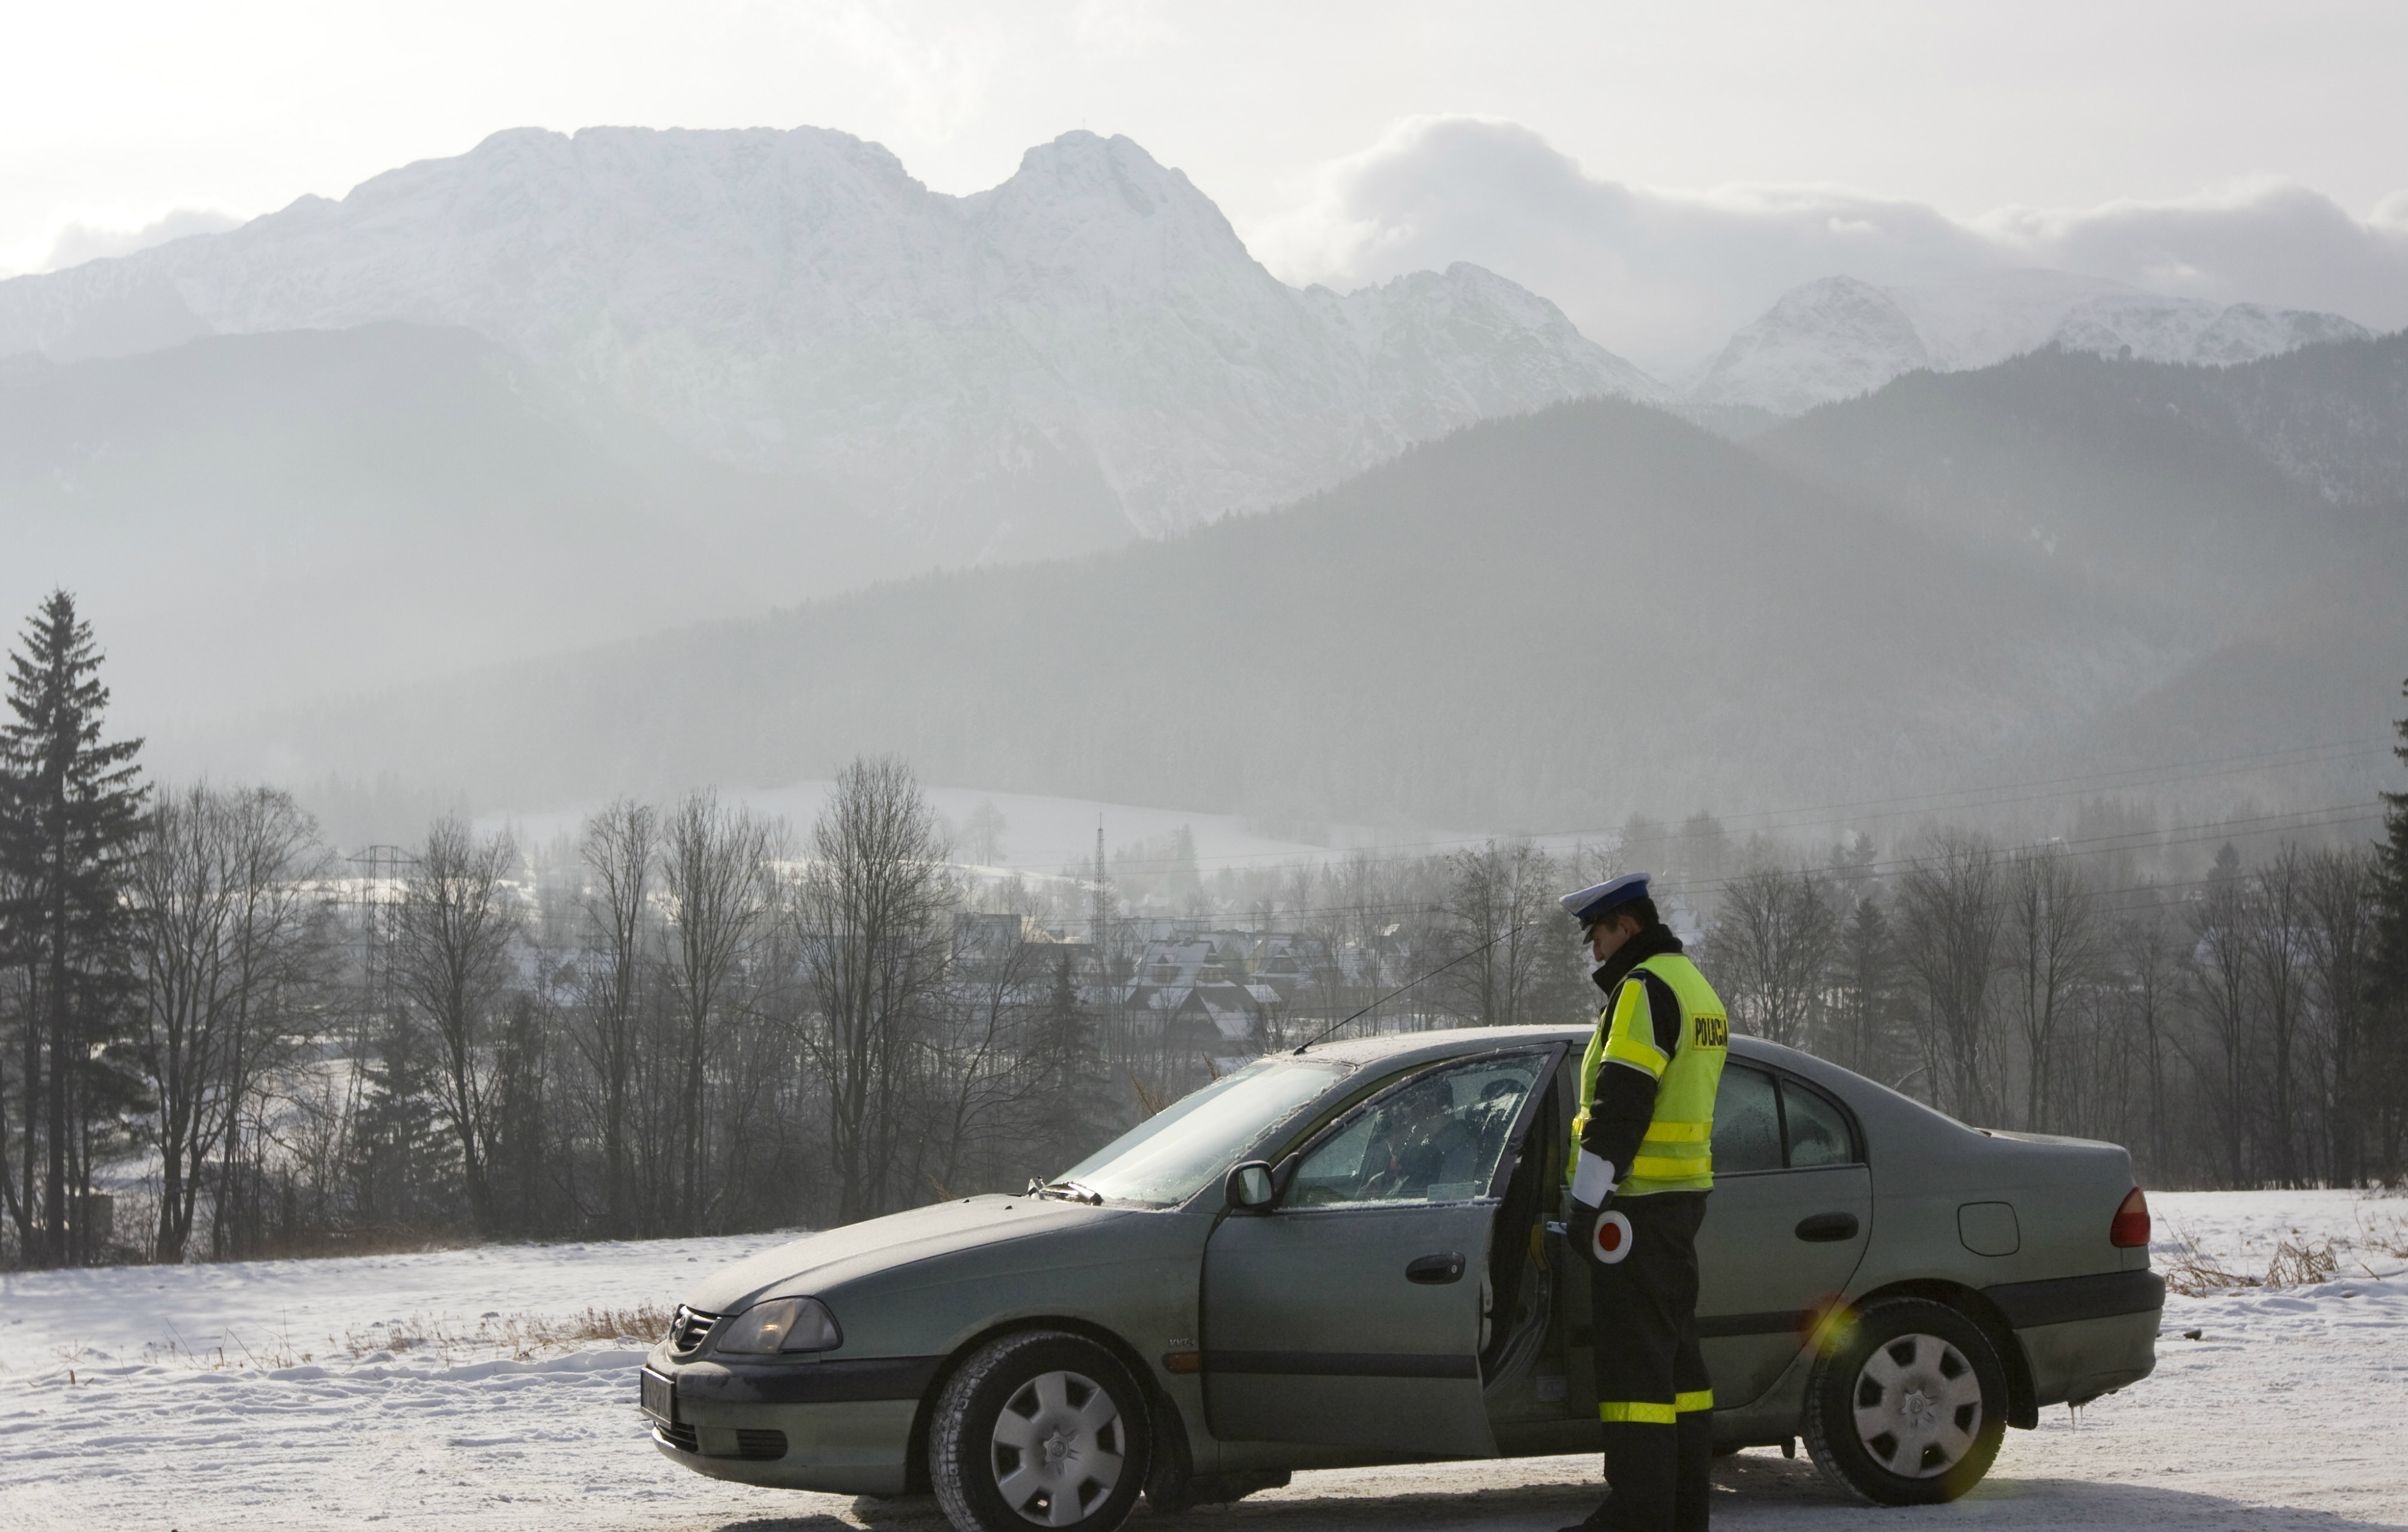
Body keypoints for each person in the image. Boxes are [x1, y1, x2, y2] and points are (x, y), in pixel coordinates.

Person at [1557, 872, 1730, 1532]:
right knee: (1679, 1368)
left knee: (1635, 1374)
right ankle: (1682, 1509)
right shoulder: (1695, 986)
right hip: (1680, 1204)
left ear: (1625, 926)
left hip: (1633, 1208)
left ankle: (1637, 1510)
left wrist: (1586, 1202)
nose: (1595, 953)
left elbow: (1620, 1106)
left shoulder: (1643, 990)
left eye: (1598, 936)